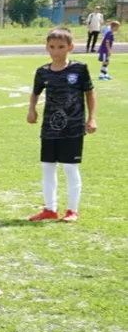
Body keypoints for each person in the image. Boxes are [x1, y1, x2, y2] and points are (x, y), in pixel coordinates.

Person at [26, 28, 96, 223]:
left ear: (70, 47)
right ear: (46, 47)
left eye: (60, 47)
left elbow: (90, 93)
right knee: (47, 167)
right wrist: (31, 110)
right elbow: (35, 93)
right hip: (50, 127)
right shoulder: (42, 72)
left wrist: (92, 118)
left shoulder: (79, 69)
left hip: (73, 127)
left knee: (70, 168)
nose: (55, 51)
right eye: (52, 47)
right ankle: (50, 209)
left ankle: (72, 210)